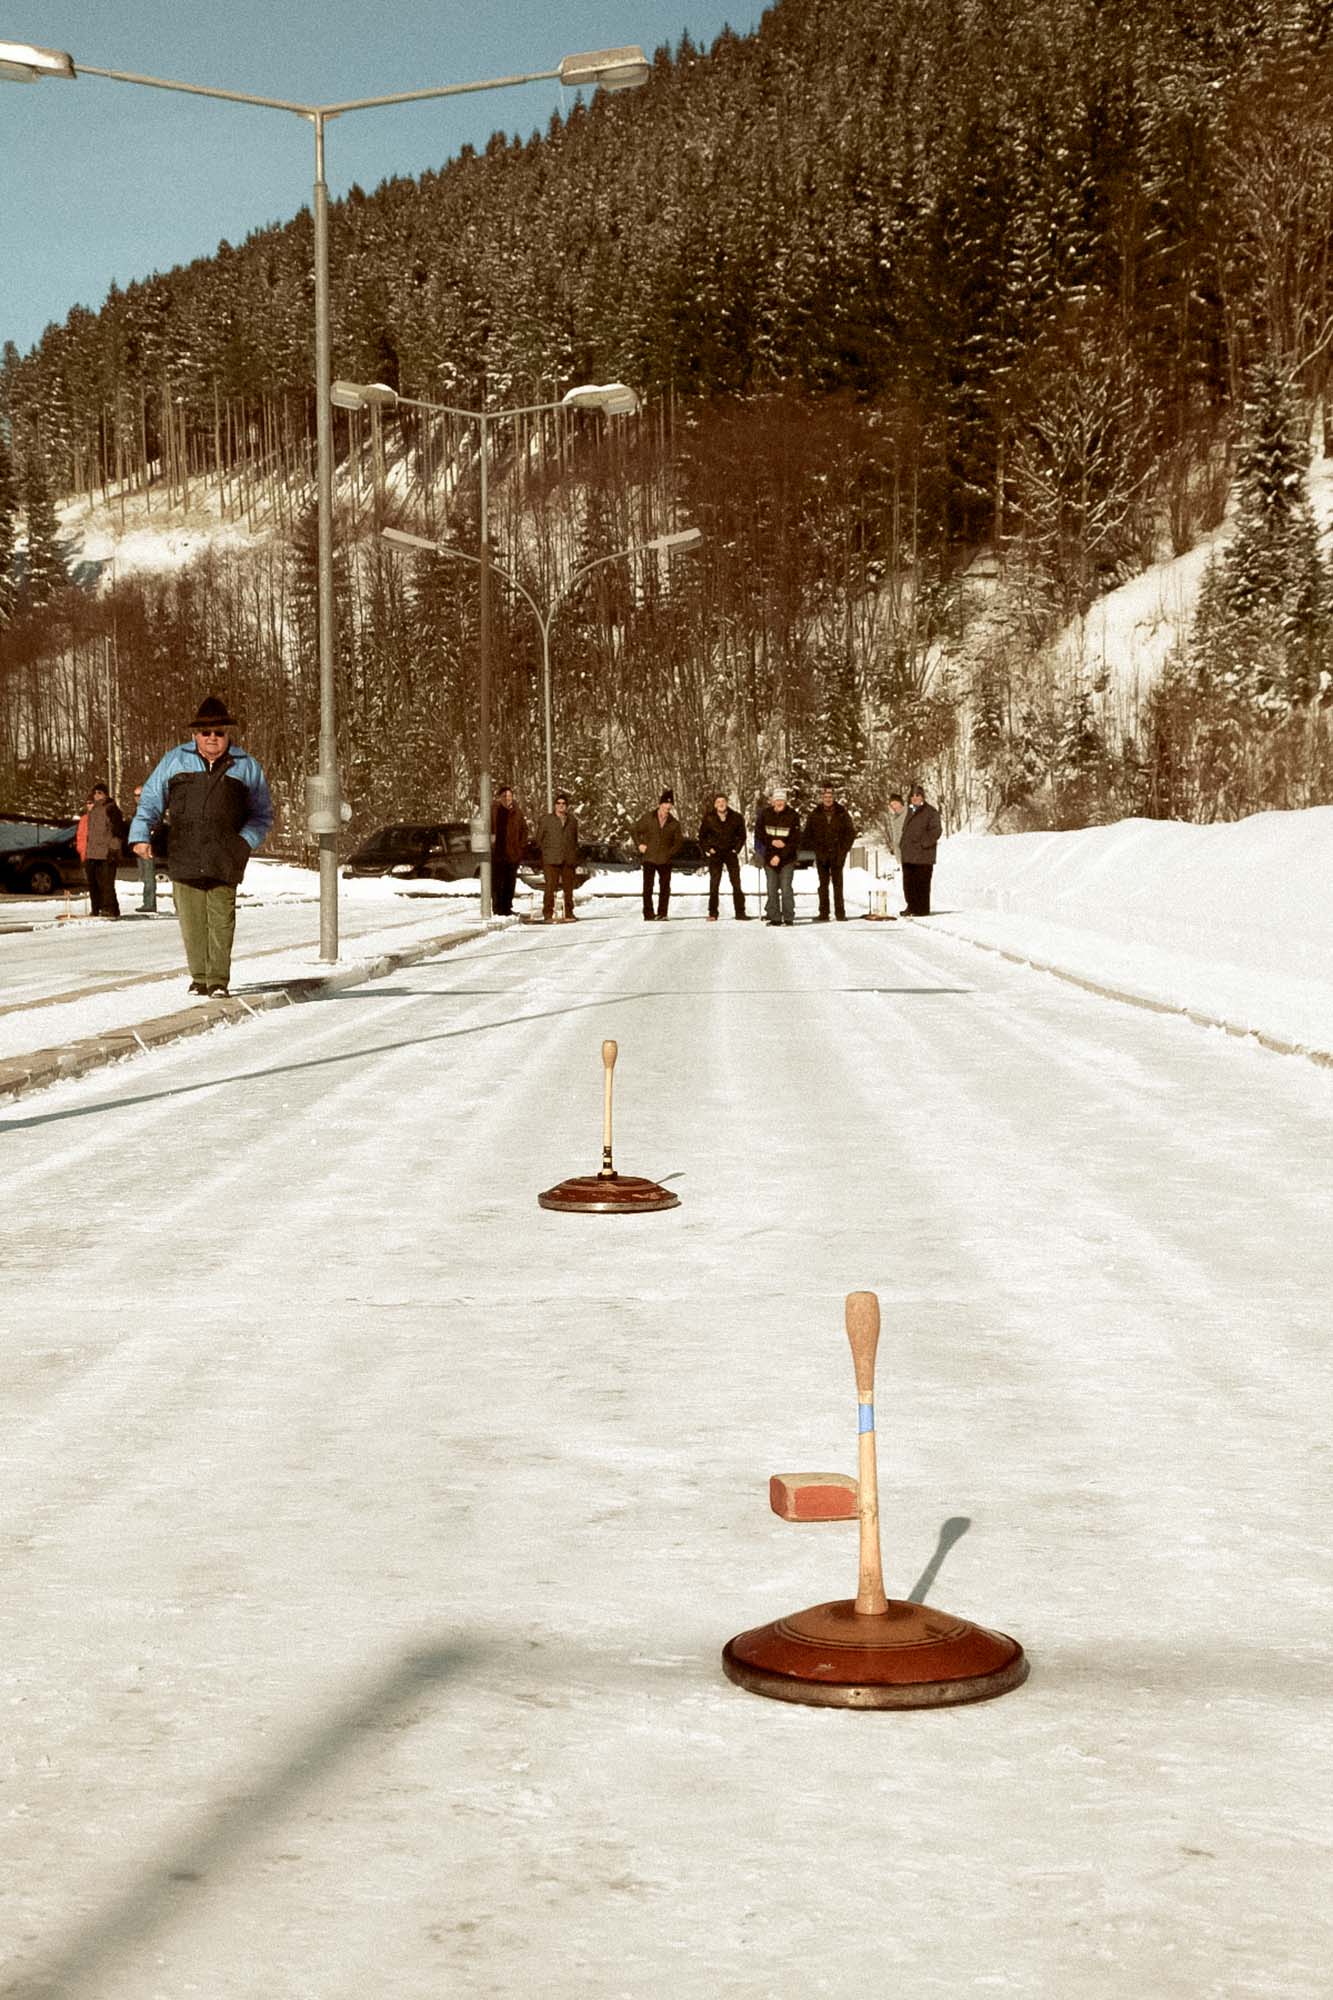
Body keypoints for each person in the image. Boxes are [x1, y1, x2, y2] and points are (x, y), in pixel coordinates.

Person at [129, 695, 273, 997]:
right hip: (185, 852)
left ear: (227, 734)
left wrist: (243, 842)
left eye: (218, 732)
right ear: (195, 734)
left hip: (226, 856)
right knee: (192, 922)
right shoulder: (174, 760)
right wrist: (141, 834)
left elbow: (262, 814)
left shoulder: (246, 766)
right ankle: (200, 978)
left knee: (221, 921)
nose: (212, 738)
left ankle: (218, 980)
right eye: (205, 732)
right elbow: (152, 799)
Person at [804, 781, 856, 922]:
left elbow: (850, 833)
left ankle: (840, 913)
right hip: (822, 855)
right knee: (823, 885)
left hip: (837, 854)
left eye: (830, 796)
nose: (828, 799)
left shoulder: (842, 813)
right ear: (821, 797)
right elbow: (808, 834)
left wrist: (844, 850)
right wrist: (816, 849)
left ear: (833, 797)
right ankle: (824, 912)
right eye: (825, 796)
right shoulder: (815, 814)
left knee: (838, 885)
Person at [754, 783, 802, 926]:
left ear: (785, 801)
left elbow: (795, 841)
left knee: (786, 888)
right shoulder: (764, 815)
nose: (779, 802)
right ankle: (774, 917)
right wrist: (772, 848)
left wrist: (780, 855)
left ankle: (788, 917)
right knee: (771, 887)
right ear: (772, 801)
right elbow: (760, 836)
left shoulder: (793, 815)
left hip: (787, 858)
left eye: (782, 800)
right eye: (777, 800)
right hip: (770, 858)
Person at [634, 789, 684, 922]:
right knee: (648, 887)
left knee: (665, 888)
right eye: (665, 804)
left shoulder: (674, 823)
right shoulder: (648, 818)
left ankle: (662, 913)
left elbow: (679, 842)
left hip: (665, 859)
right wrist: (640, 844)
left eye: (670, 805)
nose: (668, 807)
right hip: (649, 857)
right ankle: (648, 914)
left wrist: (670, 853)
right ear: (660, 804)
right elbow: (635, 830)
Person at [698, 791, 749, 922]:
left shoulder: (736, 817)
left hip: (730, 853)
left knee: (736, 883)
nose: (721, 804)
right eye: (718, 802)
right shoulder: (708, 818)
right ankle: (713, 913)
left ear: (727, 802)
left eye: (723, 802)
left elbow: (742, 836)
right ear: (715, 805)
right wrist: (708, 849)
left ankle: (740, 912)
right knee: (714, 884)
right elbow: (702, 837)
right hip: (716, 854)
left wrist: (736, 849)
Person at [82, 781, 127, 920]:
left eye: (100, 793)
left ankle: (110, 909)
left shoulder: (111, 809)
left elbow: (118, 831)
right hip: (92, 852)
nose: (97, 795)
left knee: (106, 884)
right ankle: (96, 908)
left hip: (106, 852)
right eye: (95, 793)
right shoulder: (92, 810)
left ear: (106, 794)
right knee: (93, 883)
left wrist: (114, 850)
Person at [900, 783, 942, 916]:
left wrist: (923, 843)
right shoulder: (908, 811)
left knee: (922, 884)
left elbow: (936, 831)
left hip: (923, 855)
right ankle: (911, 906)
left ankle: (922, 909)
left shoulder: (930, 812)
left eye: (917, 795)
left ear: (922, 797)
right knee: (909, 884)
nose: (915, 798)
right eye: (912, 795)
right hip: (908, 854)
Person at [536, 791, 579, 923]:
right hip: (551, 859)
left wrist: (573, 854)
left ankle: (569, 912)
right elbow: (539, 839)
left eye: (564, 803)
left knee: (568, 888)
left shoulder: (572, 821)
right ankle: (548, 913)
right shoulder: (546, 820)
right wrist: (546, 852)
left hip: (568, 859)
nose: (561, 806)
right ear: (555, 805)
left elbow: (574, 840)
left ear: (567, 806)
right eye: (558, 803)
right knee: (550, 887)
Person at [491, 784, 528, 917]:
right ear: (499, 797)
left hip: (512, 854)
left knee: (510, 883)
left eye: (510, 796)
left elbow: (524, 830)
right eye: (505, 796)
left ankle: (507, 907)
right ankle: (498, 908)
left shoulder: (517, 812)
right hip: (497, 854)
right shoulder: (494, 811)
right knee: (497, 883)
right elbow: (487, 828)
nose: (508, 799)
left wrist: (520, 847)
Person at [131, 783, 158, 912]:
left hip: (148, 846)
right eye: (135, 796)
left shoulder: (150, 809)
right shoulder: (136, 811)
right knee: (144, 876)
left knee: (149, 876)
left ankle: (150, 903)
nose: (137, 798)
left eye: (139, 795)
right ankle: (147, 902)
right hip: (139, 847)